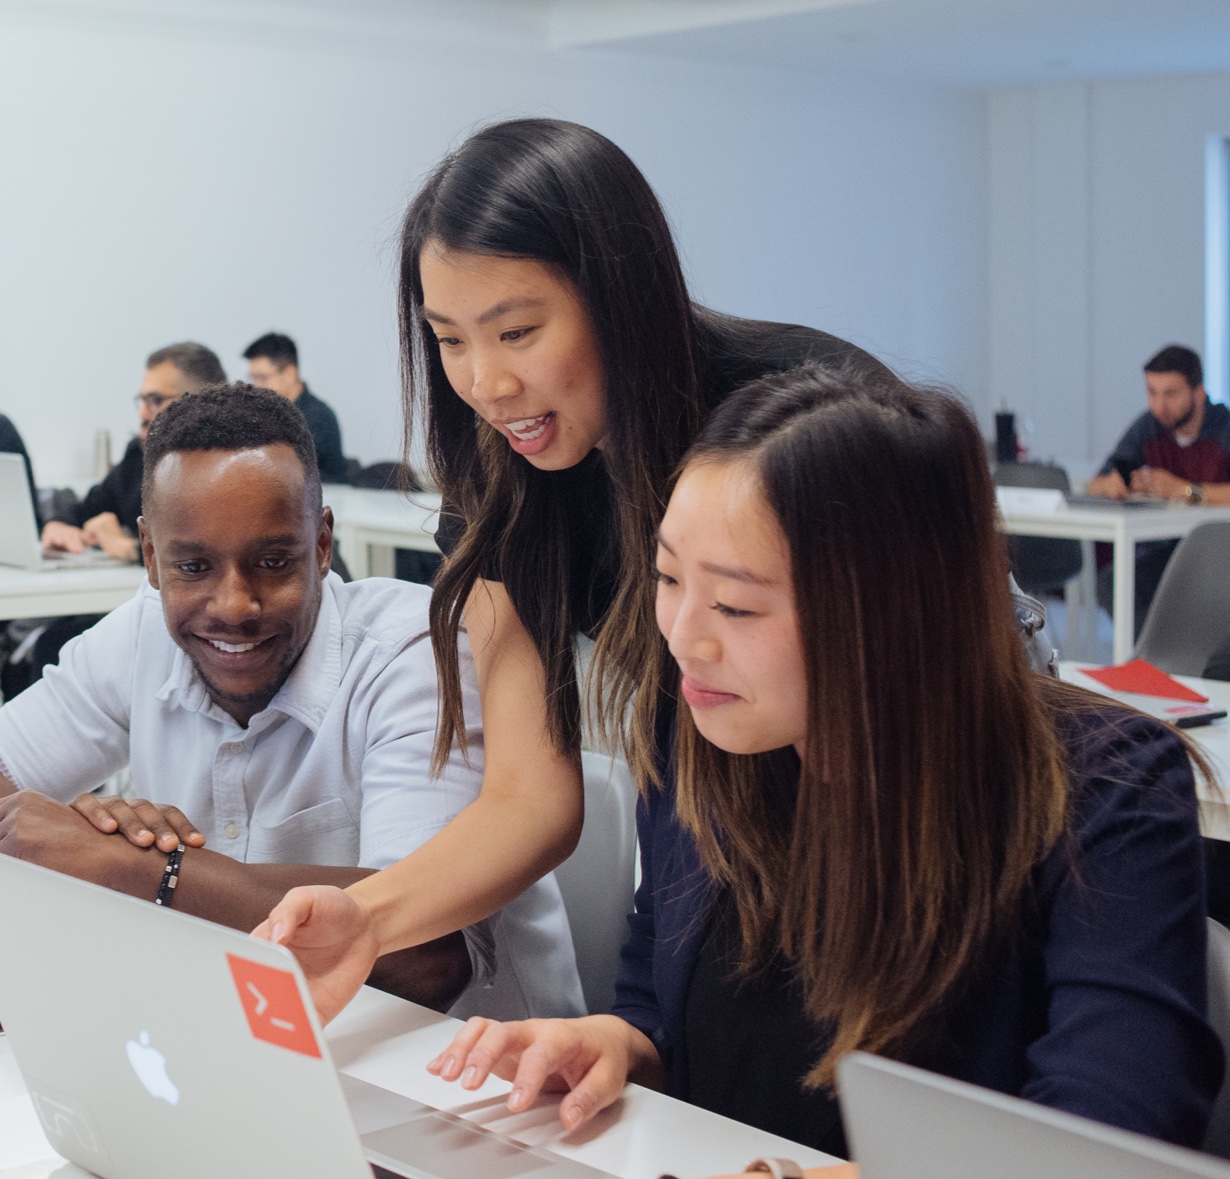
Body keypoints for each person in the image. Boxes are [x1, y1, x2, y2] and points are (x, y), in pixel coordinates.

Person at [253, 118, 1055, 1025]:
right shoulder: (498, 477)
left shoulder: (795, 420)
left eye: (516, 330)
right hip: (742, 799)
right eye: (448, 339)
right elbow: (529, 795)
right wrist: (367, 916)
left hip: (927, 777)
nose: (485, 383)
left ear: (617, 296)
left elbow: (922, 709)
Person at [426, 365, 1223, 1167]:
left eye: (735, 605)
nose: (682, 635)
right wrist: (621, 1043)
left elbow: (1108, 1143)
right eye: (667, 577)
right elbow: (656, 984)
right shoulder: (707, 727)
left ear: (888, 613)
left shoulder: (1106, 790)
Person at [0, 383, 582, 1021]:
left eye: (274, 561)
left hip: (476, 1079)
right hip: (256, 1042)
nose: (233, 606)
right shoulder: (142, 634)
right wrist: (76, 837)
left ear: (324, 544)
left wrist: (140, 868)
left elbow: (427, 959)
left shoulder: (414, 653)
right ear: (150, 556)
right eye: (192, 567)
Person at [1087, 344, 1230, 634]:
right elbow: (1096, 483)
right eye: (1152, 392)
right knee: (1115, 583)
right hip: (1169, 549)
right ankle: (1153, 661)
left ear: (1199, 393)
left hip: (1218, 550)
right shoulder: (1148, 427)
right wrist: (1115, 486)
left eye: (1171, 393)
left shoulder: (1223, 428)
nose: (1159, 405)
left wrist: (1185, 490)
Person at [41, 341, 227, 564]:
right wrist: (59, 525)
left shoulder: (228, 468)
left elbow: (212, 555)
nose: (142, 412)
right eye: (143, 400)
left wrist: (128, 548)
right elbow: (88, 509)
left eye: (156, 400)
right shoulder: (139, 455)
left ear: (201, 403)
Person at [244, 332, 347, 483]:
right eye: (253, 378)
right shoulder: (265, 411)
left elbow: (282, 468)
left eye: (262, 378)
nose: (255, 386)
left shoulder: (318, 417)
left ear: (290, 373)